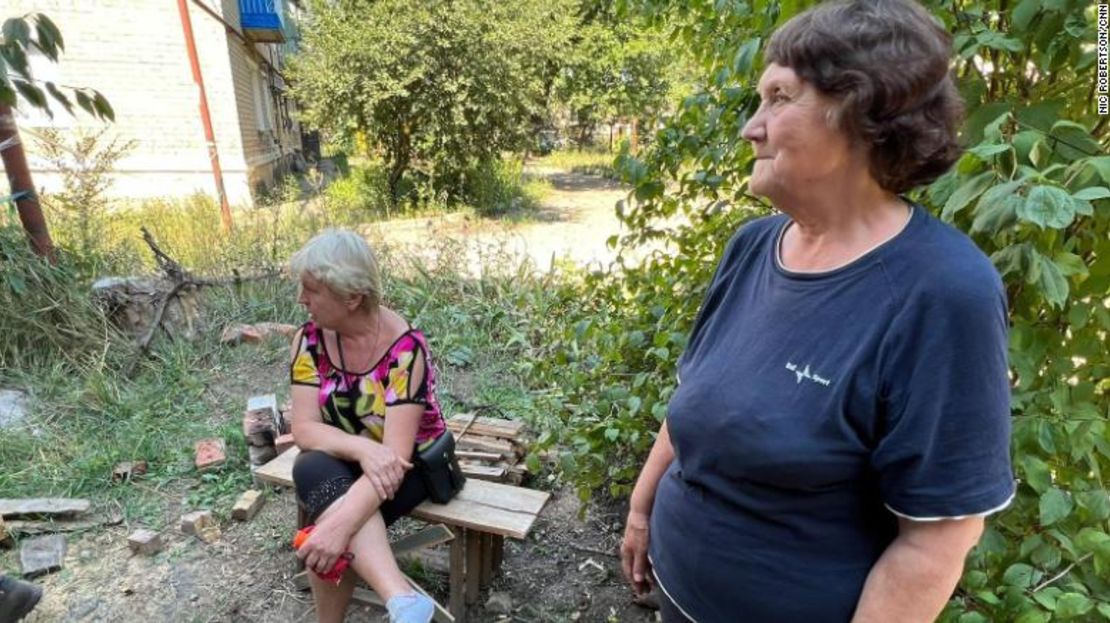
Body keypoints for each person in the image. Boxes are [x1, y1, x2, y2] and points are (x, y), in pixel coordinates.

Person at [619, 1, 1015, 621]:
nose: (752, 128)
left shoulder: (943, 291)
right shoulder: (752, 247)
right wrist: (642, 510)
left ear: (864, 108)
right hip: (675, 591)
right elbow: (692, 403)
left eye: (779, 97)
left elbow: (936, 540)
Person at [288, 229, 448, 623]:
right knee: (310, 466)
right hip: (351, 460)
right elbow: (305, 428)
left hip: (412, 466)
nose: (301, 299)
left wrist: (337, 528)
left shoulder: (406, 350)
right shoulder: (309, 341)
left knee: (325, 527)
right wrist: (363, 449)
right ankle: (403, 601)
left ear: (352, 297)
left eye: (312, 290)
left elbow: (395, 457)